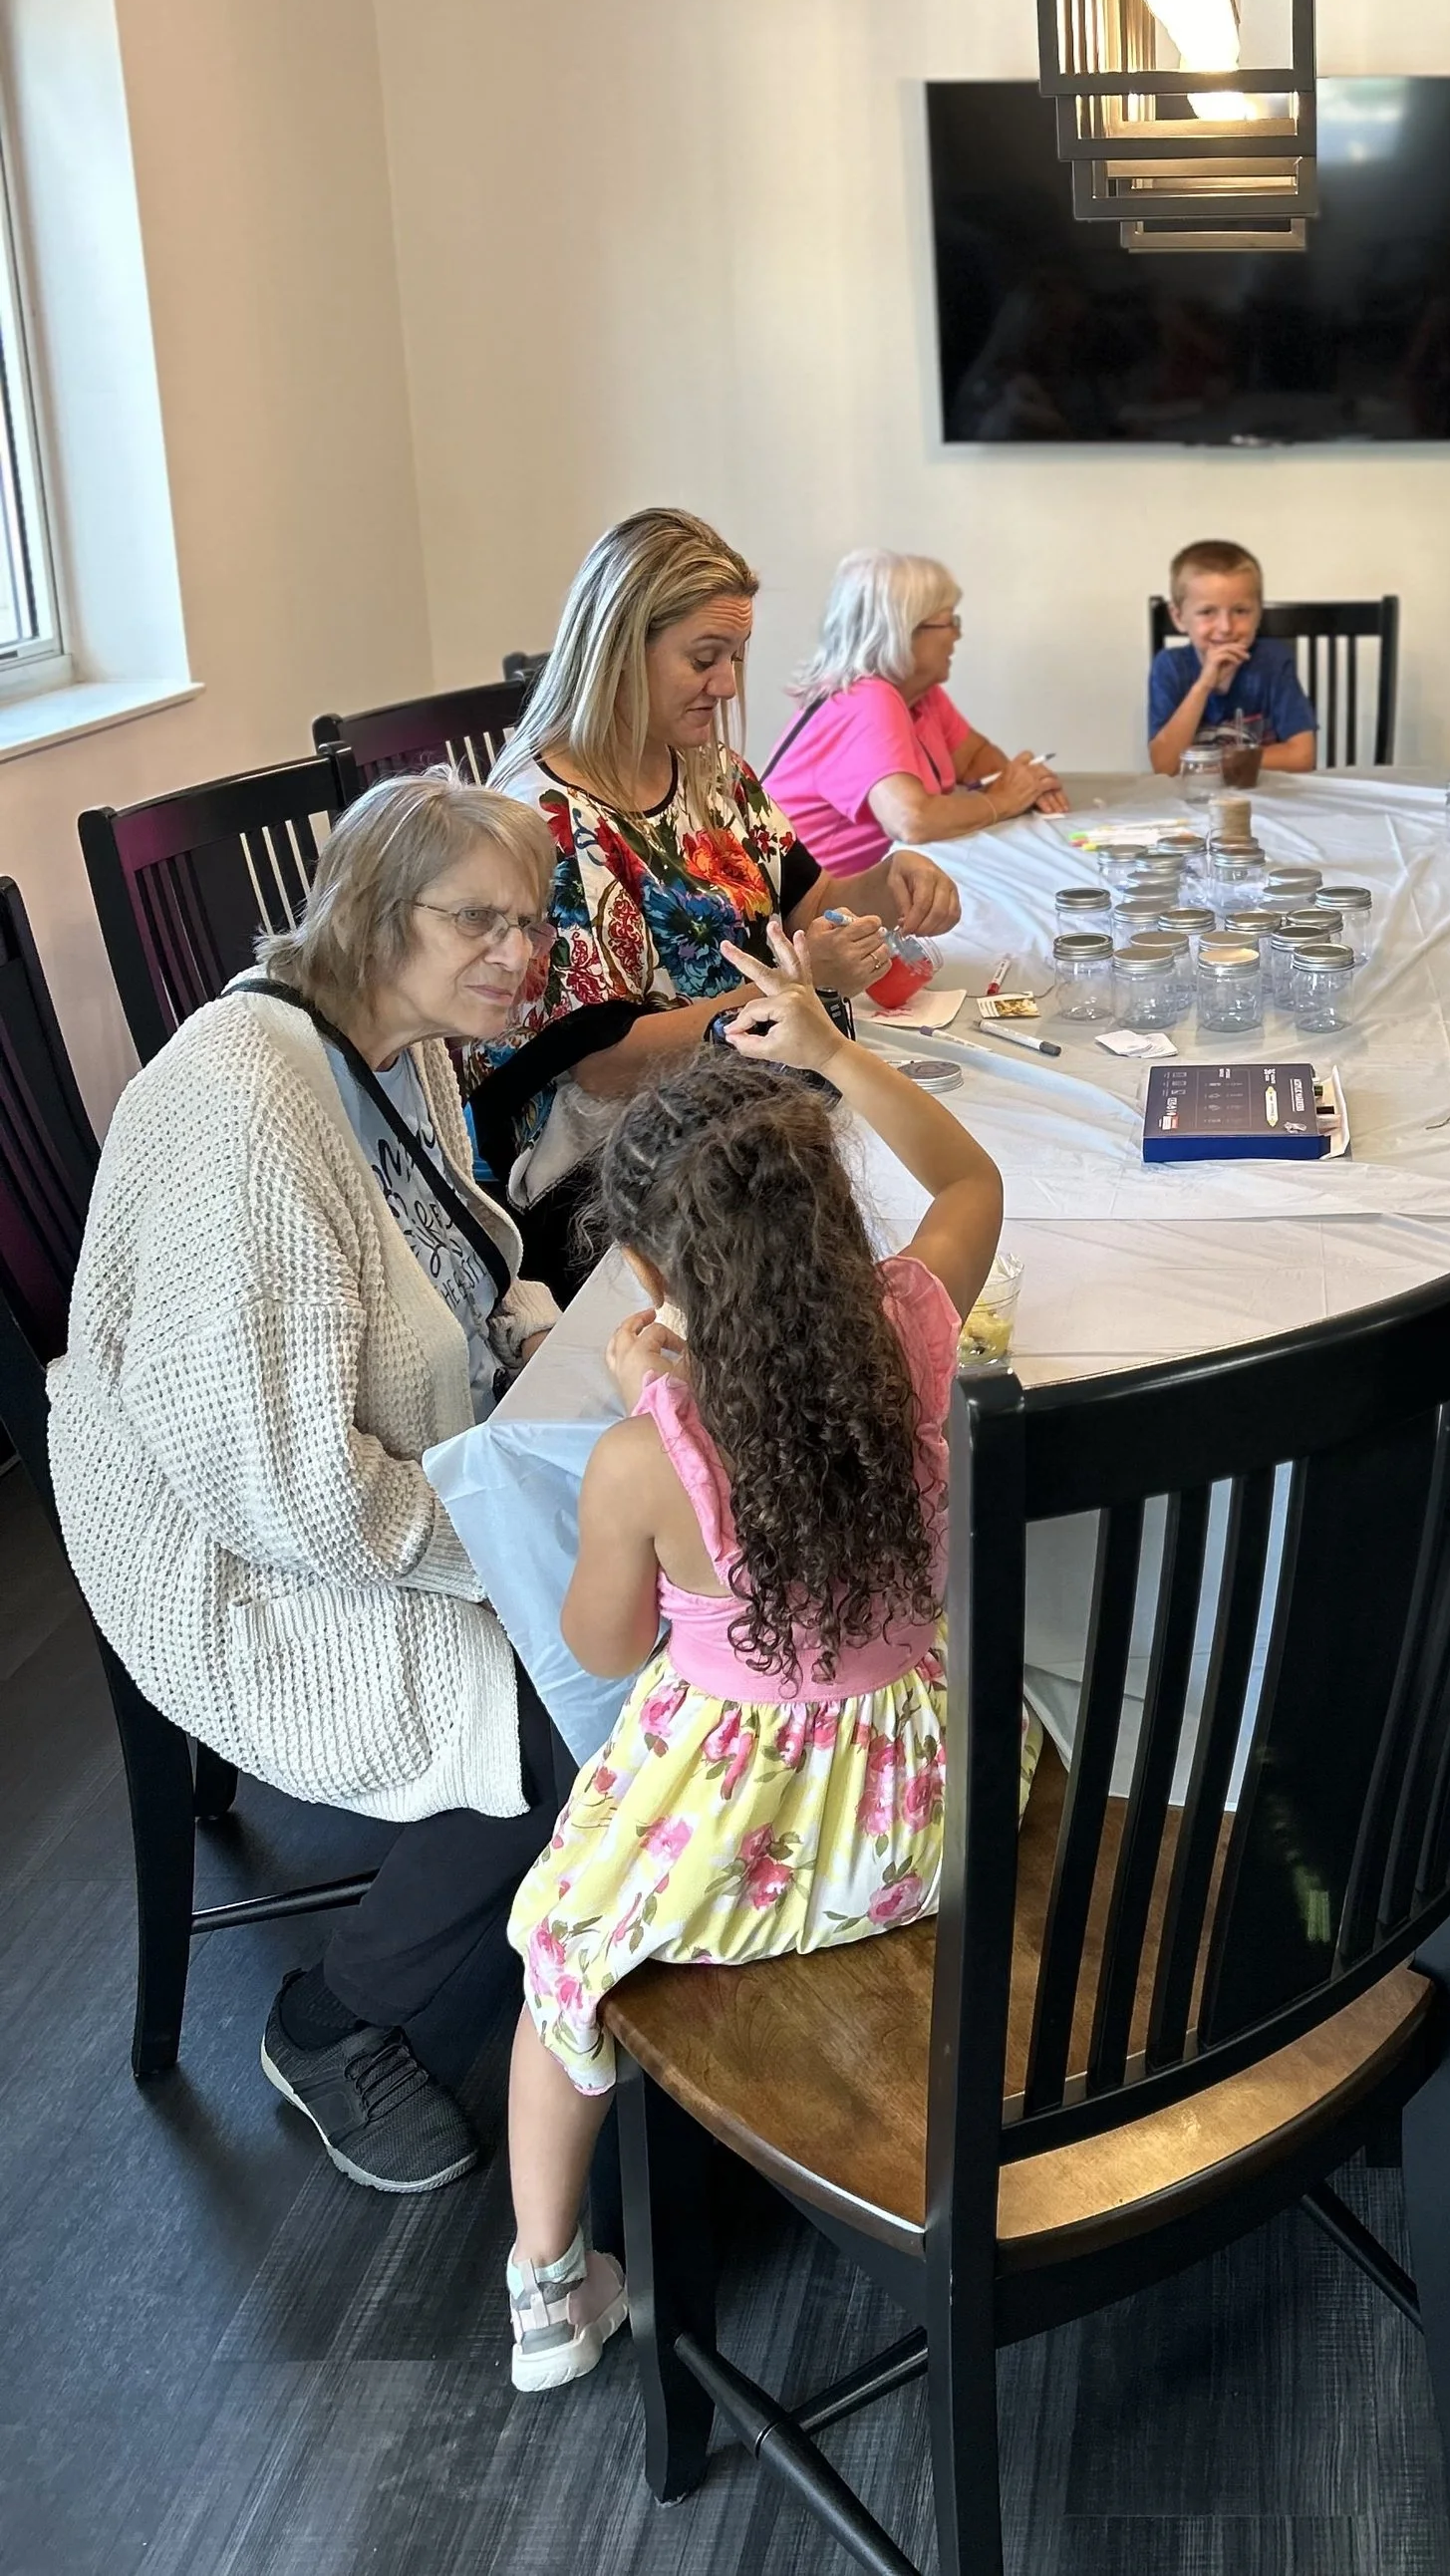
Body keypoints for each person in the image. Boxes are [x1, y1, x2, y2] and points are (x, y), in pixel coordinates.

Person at [498, 930, 1031, 2390]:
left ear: (658, 1274)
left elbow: (600, 1649)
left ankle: (549, 2280)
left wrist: (648, 1413)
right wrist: (837, 1052)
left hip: (737, 1843)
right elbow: (974, 1182)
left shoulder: (641, 1456)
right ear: (832, 1215)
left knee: (555, 1955)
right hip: (927, 1821)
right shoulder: (917, 1325)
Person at [50, 777, 577, 2195]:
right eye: (479, 919)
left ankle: (590, 1925)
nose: (517, 955)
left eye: (529, 921)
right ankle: (334, 2022)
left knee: (651, 1578)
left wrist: (548, 1351)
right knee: (572, 1680)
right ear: (365, 913)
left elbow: (469, 1252)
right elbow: (283, 1493)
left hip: (368, 1470)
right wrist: (520, 1547)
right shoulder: (246, 1107)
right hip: (224, 1544)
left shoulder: (397, 1041)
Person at [474, 509, 962, 1277]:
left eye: (735, 655)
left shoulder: (709, 770)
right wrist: (795, 991)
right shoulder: (547, 818)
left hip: (743, 1113)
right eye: (705, 657)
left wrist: (892, 884)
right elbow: (601, 1066)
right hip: (620, 1178)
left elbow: (814, 904)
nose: (728, 683)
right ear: (618, 652)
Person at [765, 547, 1065, 872]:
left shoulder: (919, 694)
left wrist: (1020, 786)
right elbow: (912, 820)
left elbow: (975, 757)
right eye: (949, 621)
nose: (958, 634)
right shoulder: (864, 699)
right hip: (798, 911)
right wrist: (1005, 800)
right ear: (904, 630)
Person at [1145, 538, 1319, 776]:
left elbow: (1302, 757)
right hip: (1194, 802)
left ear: (1258, 614)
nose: (1226, 627)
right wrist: (1203, 686)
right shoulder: (1170, 667)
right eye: (1207, 612)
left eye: (1240, 611)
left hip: (1265, 801)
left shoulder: (1273, 663)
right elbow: (1165, 766)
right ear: (1178, 617)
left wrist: (1210, 761)